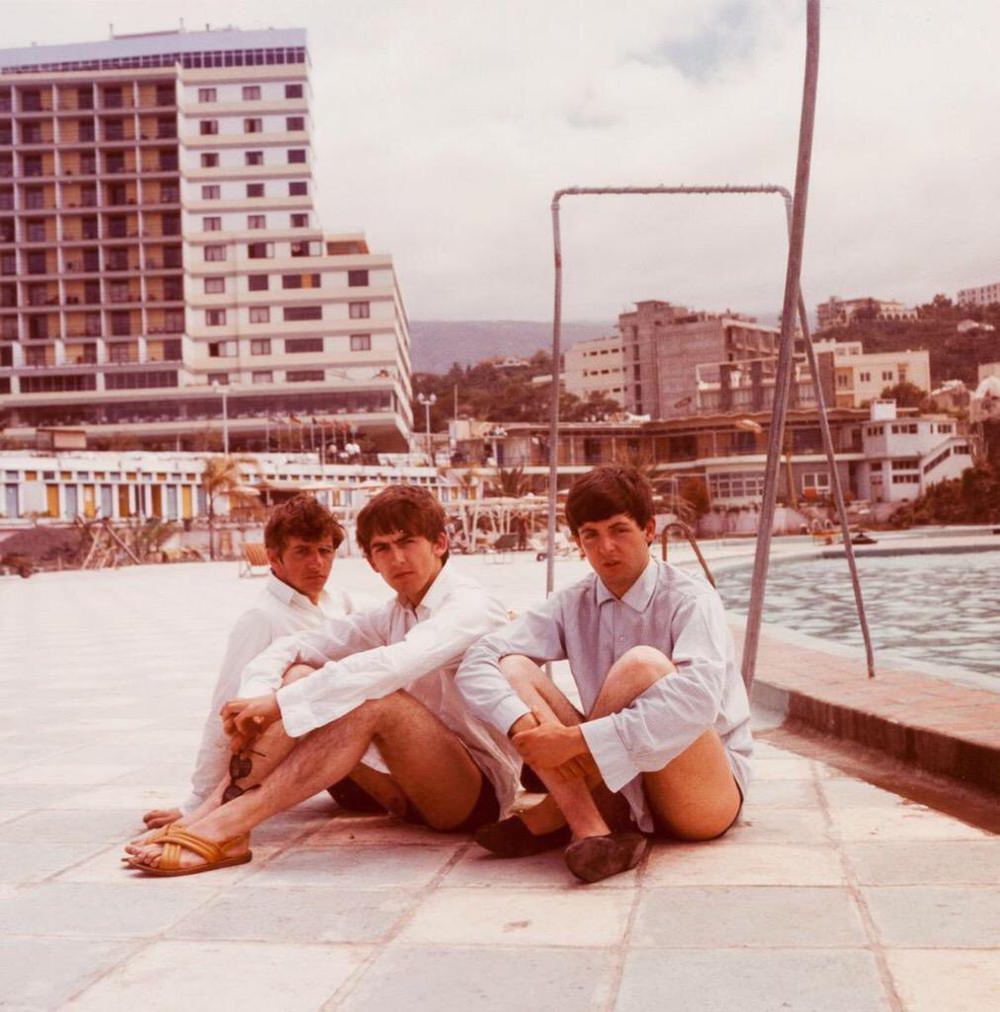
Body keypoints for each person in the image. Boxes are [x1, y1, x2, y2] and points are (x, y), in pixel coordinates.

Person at [124, 485, 519, 876]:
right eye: (382, 548)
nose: (397, 558)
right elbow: (297, 646)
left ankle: (227, 825)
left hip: (471, 792)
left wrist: (277, 705)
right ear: (370, 562)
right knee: (300, 674)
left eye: (408, 542)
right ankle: (213, 814)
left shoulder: (469, 605)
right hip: (402, 790)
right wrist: (257, 696)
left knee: (376, 699)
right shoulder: (392, 613)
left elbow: (393, 665)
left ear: (440, 543)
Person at [456, 465, 752, 884]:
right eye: (590, 535)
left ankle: (557, 811)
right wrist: (525, 727)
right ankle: (589, 828)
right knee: (512, 665)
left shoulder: (691, 598)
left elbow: (698, 702)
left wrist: (572, 742)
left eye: (619, 530)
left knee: (642, 664)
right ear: (578, 542)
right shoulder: (571, 603)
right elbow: (478, 659)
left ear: (649, 529)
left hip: (700, 796)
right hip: (619, 791)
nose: (606, 547)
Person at [140, 494, 360, 831]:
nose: (317, 563)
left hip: (354, 748)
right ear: (274, 558)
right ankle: (220, 810)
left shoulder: (340, 602)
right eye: (302, 551)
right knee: (300, 676)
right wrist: (197, 801)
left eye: (325, 551)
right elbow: (226, 707)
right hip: (331, 763)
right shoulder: (262, 618)